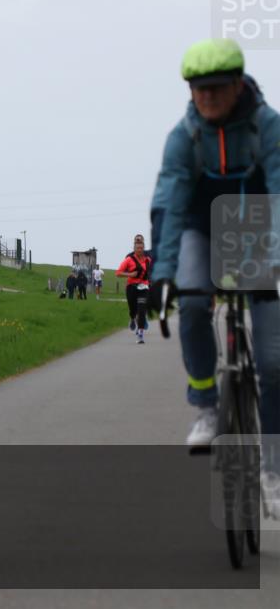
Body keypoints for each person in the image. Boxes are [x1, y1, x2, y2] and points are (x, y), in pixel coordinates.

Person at [149, 40, 280, 517]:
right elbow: (170, 205)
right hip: (201, 232)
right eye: (196, 89)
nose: (205, 97)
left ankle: (273, 472)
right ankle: (206, 405)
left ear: (238, 84)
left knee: (272, 359)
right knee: (191, 303)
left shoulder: (268, 128)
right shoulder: (184, 137)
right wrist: (161, 275)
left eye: (215, 88)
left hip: (256, 231)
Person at [116, 235, 151, 343]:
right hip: (131, 287)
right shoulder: (129, 258)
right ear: (134, 248)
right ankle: (132, 318)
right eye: (137, 247)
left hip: (144, 287)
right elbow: (118, 273)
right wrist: (130, 274)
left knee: (141, 310)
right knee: (133, 310)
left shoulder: (148, 259)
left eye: (141, 248)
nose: (139, 250)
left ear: (143, 247)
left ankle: (140, 334)